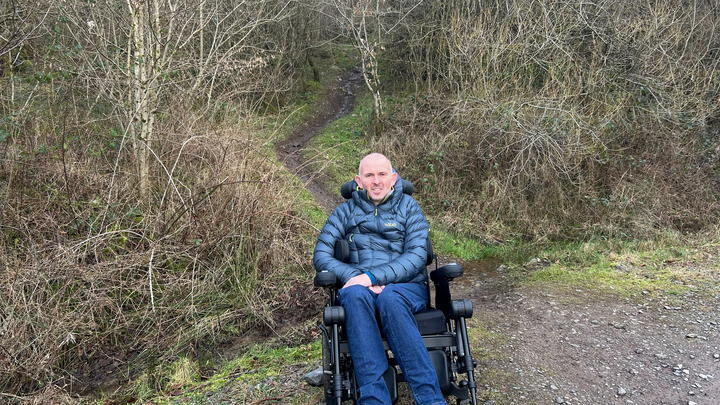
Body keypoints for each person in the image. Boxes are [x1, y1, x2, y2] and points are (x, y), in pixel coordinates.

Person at [313, 153, 446, 405]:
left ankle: (431, 399)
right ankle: (374, 399)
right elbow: (321, 255)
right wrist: (357, 278)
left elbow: (417, 256)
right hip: (360, 290)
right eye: (369, 175)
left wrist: (373, 277)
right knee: (352, 293)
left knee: (390, 297)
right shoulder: (344, 212)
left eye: (382, 174)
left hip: (406, 287)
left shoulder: (409, 207)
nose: (376, 181)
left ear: (393, 178)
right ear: (358, 181)